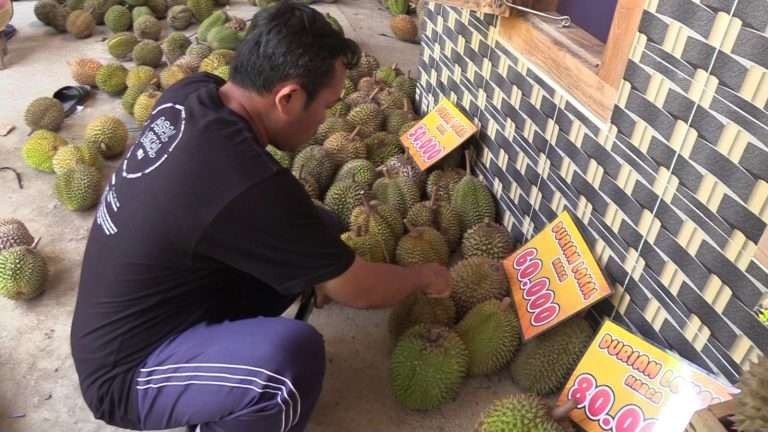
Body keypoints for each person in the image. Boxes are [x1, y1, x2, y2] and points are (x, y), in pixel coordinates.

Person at [69, 2, 451, 432]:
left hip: (147, 308)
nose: (327, 117)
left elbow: (278, 218)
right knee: (288, 364)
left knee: (320, 230)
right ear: (288, 98)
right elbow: (358, 289)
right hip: (128, 373)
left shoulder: (194, 92)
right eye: (326, 105)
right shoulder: (245, 184)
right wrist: (421, 278)